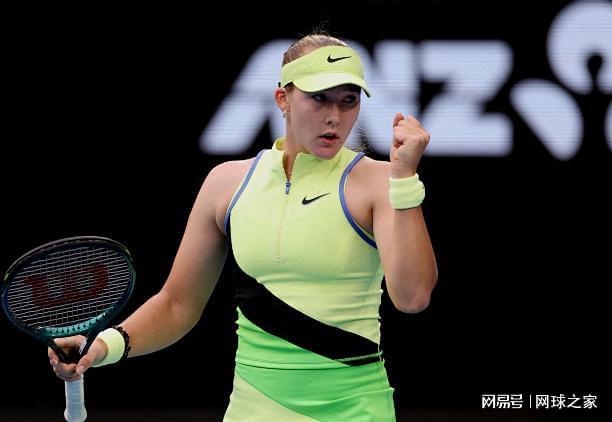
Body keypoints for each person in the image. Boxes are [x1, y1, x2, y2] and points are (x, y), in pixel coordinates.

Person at [48, 33, 438, 421]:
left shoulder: (381, 182)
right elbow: (177, 304)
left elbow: (413, 296)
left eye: (348, 100)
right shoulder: (227, 183)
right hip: (252, 411)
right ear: (283, 99)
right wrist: (102, 347)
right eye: (319, 98)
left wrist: (405, 180)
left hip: (356, 412)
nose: (335, 116)